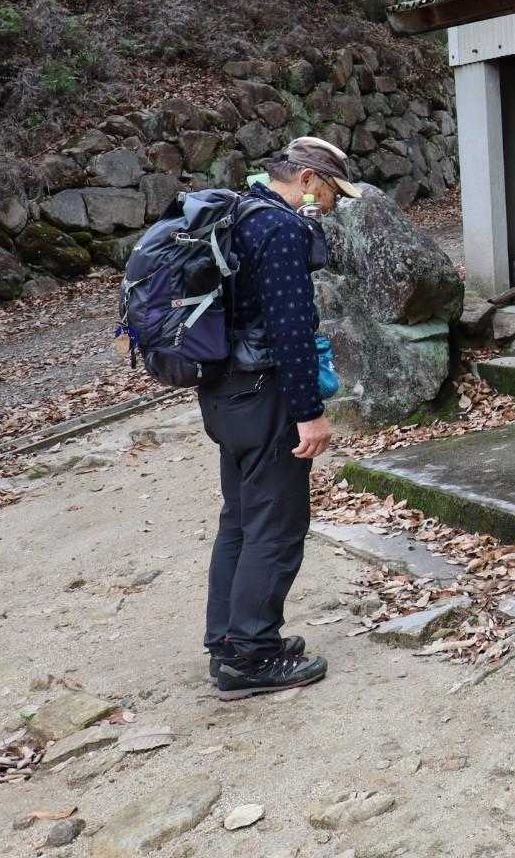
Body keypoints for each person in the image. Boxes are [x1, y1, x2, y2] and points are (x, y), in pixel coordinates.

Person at [203, 136, 360, 700]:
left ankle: (228, 642)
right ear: (309, 180)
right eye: (333, 191)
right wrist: (309, 414)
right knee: (277, 525)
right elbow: (291, 331)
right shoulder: (281, 228)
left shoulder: (238, 213)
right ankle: (252, 657)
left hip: (223, 392)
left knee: (241, 519)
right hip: (265, 394)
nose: (334, 203)